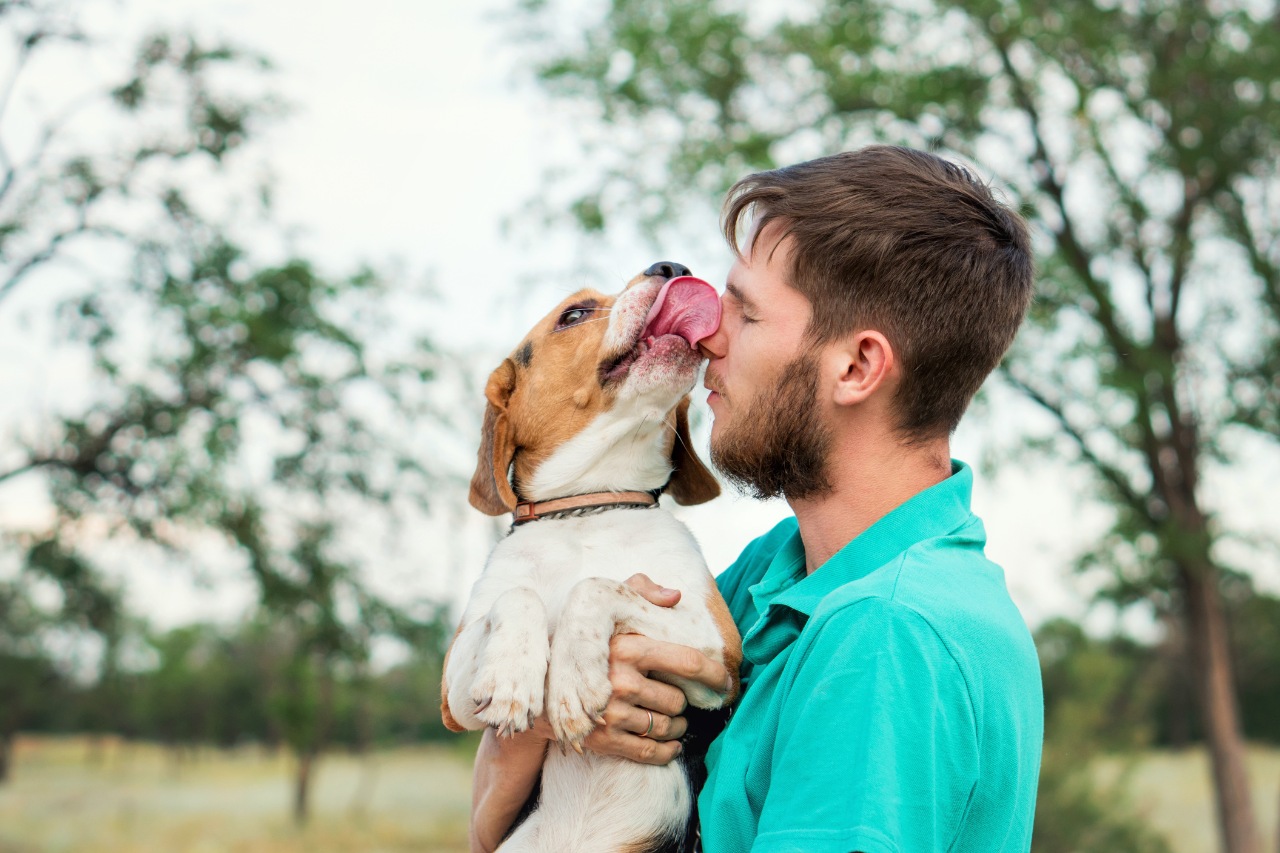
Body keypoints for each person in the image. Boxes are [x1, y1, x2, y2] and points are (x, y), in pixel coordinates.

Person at [469, 145, 1043, 853]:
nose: (706, 335)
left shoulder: (886, 633)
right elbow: (498, 825)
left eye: (746, 314)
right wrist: (564, 714)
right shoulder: (774, 576)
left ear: (857, 367)